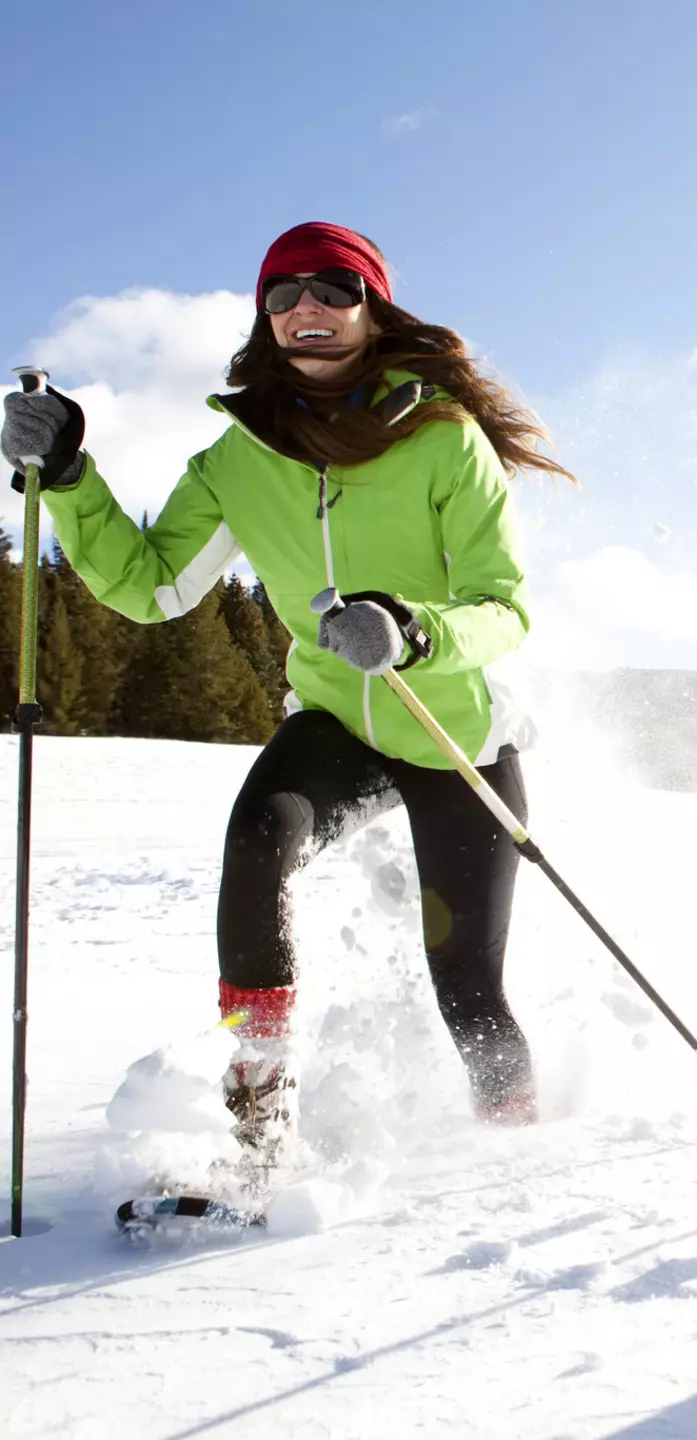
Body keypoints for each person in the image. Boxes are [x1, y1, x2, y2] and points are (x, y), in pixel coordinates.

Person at [2, 221, 576, 1170]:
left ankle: (511, 1152)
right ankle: (260, 1122)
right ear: (264, 316)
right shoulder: (238, 458)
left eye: (333, 288)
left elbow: (503, 607)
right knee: (259, 836)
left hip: (454, 730)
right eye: (282, 293)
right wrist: (67, 477)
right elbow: (152, 588)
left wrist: (414, 628)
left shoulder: (441, 437)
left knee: (467, 986)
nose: (306, 306)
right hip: (336, 720)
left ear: (371, 307)